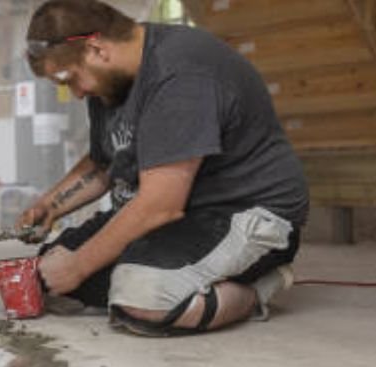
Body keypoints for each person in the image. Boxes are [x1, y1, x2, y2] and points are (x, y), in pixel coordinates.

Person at [15, 0, 308, 336]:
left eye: (70, 79)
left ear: (96, 48)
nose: (77, 93)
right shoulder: (111, 82)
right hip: (176, 212)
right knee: (47, 272)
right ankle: (157, 278)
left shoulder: (180, 71)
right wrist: (49, 206)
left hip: (239, 210)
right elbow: (105, 162)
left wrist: (80, 267)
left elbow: (160, 205)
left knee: (143, 300)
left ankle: (256, 290)